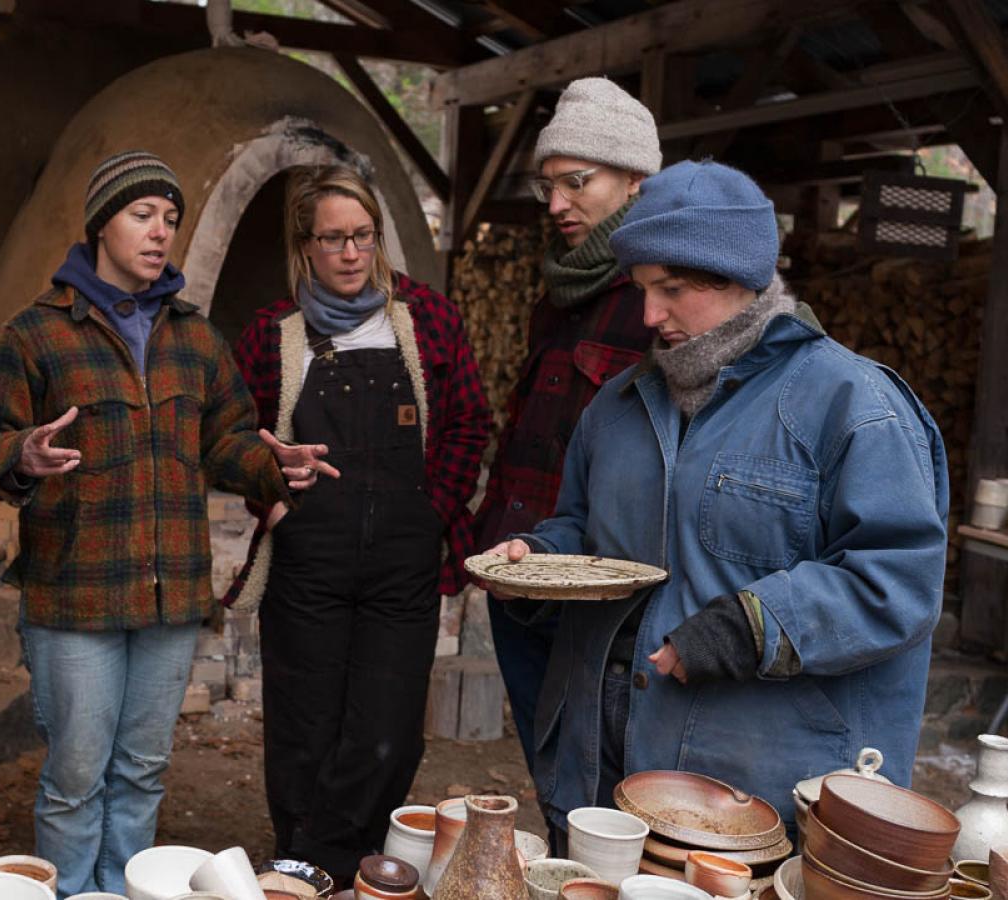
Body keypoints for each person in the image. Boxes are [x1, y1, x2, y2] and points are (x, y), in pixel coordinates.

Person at [483, 161, 948, 843]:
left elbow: (898, 582)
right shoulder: (616, 408)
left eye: (670, 289)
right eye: (641, 289)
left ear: (736, 278)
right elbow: (582, 528)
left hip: (753, 790)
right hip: (598, 764)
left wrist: (751, 625)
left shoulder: (853, 406)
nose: (648, 315)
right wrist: (539, 559)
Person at [0, 150, 336, 896]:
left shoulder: (194, 338)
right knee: (75, 776)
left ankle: (126, 890)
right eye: (142, 214)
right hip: (76, 597)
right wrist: (22, 455)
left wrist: (272, 465)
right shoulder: (36, 334)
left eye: (170, 218)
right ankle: (70, 891)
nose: (160, 231)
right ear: (101, 223)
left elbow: (226, 442)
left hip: (170, 597)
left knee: (141, 770)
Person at [226, 164, 490, 881]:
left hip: (403, 563)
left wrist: (433, 510)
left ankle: (326, 866)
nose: (350, 253)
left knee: (387, 734)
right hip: (307, 564)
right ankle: (317, 872)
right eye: (333, 239)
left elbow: (469, 420)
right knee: (304, 730)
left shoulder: (426, 317)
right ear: (304, 246)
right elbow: (232, 438)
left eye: (362, 236)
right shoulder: (273, 332)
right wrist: (269, 489)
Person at [471, 77, 659, 776]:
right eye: (547, 185)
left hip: (595, 595)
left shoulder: (659, 299)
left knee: (604, 784)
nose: (555, 205)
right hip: (520, 577)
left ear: (635, 178)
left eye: (576, 181)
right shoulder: (560, 293)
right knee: (549, 772)